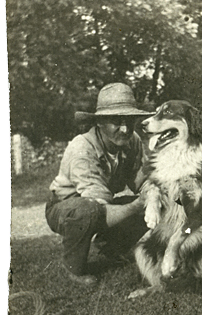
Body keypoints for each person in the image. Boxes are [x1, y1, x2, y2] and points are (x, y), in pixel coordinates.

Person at [45, 83, 153, 285]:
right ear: (100, 122)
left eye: (129, 120)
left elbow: (141, 181)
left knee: (156, 198)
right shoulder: (82, 148)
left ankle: (110, 249)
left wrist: (154, 192)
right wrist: (137, 205)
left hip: (101, 204)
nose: (125, 128)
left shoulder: (133, 140)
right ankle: (74, 268)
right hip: (65, 207)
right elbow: (100, 210)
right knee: (89, 211)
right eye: (116, 121)